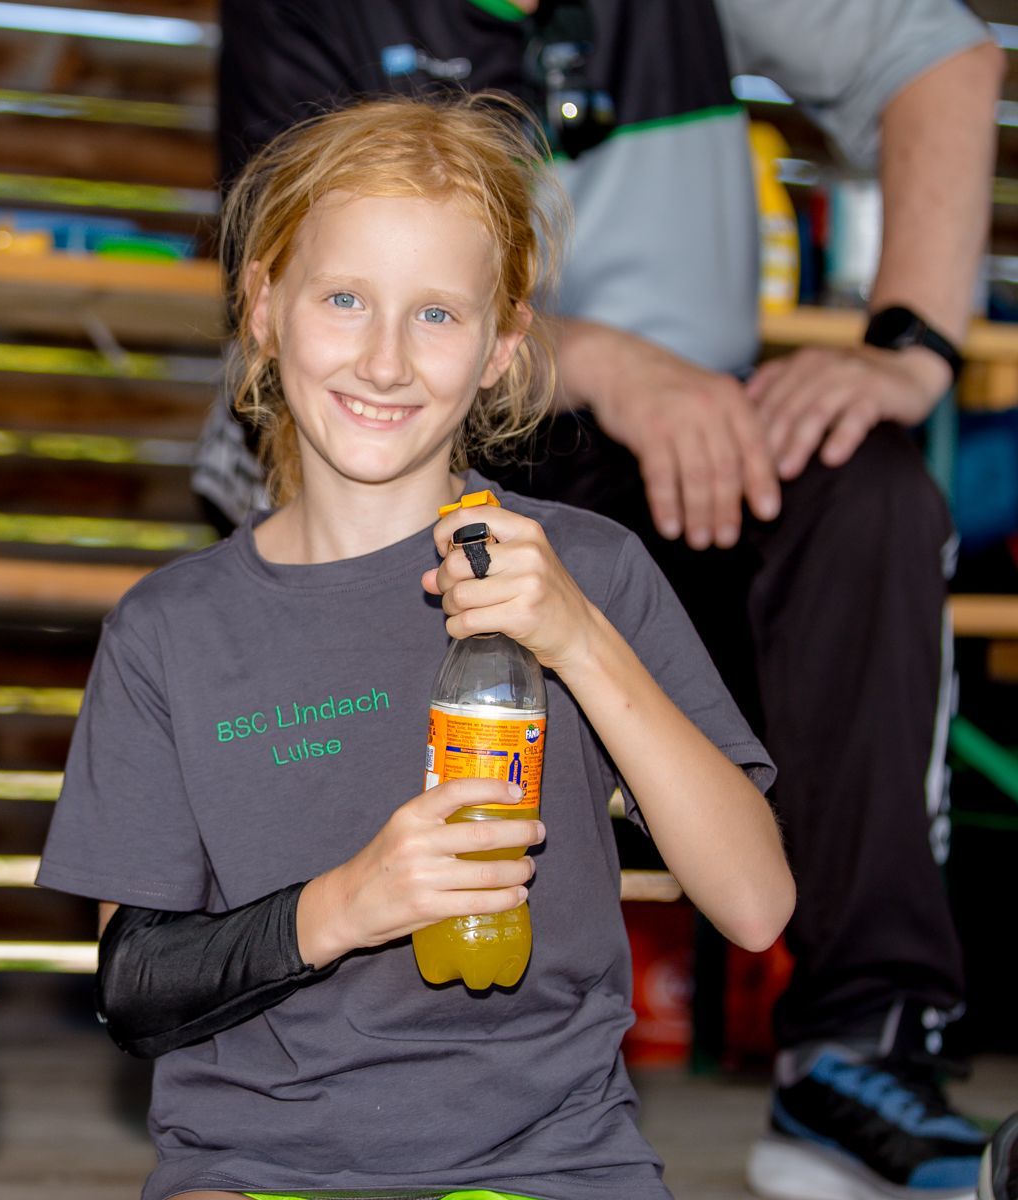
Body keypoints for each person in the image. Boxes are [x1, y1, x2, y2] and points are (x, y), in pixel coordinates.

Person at [194, 4, 1006, 1197]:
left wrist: (911, 346)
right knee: (380, 496)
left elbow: (945, 52)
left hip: (687, 457)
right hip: (416, 438)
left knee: (871, 494)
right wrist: (608, 364)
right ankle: (357, 1072)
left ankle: (860, 1051)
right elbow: (324, 290)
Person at [39, 94, 795, 1200]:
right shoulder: (170, 627)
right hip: (255, 1169)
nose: (385, 361)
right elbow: (138, 987)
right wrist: (351, 901)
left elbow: (756, 904)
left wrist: (580, 642)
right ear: (264, 306)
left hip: (549, 1164)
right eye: (344, 299)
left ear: (502, 346)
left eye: (437, 314)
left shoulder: (586, 567)